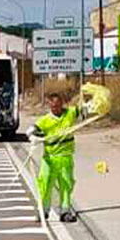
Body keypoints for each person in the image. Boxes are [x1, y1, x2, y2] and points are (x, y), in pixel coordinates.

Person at [32, 81, 81, 223]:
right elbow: (34, 128)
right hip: (49, 158)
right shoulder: (45, 120)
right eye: (53, 106)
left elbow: (83, 111)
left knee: (66, 184)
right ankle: (44, 210)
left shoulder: (69, 114)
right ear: (49, 106)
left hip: (65, 157)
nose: (56, 109)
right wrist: (33, 136)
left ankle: (65, 211)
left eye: (58, 106)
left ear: (62, 104)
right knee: (45, 183)